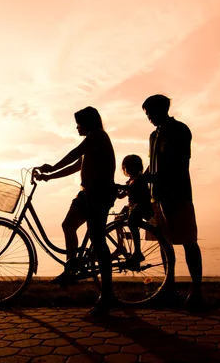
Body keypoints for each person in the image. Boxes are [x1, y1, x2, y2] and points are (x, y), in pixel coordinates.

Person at [36, 106, 117, 315]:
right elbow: (75, 166)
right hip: (86, 193)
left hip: (99, 194)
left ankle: (107, 295)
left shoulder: (97, 136)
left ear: (88, 122)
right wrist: (50, 176)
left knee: (98, 241)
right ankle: (71, 268)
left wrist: (51, 167)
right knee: (68, 225)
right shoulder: (92, 139)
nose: (76, 127)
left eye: (79, 123)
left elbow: (74, 154)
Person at [142, 94, 206, 311]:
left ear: (162, 109)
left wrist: (151, 177)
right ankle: (169, 288)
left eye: (150, 112)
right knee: (164, 244)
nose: (149, 117)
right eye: (147, 113)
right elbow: (152, 164)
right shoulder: (153, 135)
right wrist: (141, 180)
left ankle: (197, 291)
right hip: (157, 196)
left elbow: (179, 164)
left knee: (189, 241)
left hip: (178, 195)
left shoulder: (180, 130)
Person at [116, 154, 154, 270]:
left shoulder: (139, 179)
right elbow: (121, 195)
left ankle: (137, 251)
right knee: (118, 219)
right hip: (132, 206)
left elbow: (131, 189)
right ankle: (120, 246)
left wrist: (120, 186)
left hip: (142, 206)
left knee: (132, 222)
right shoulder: (130, 181)